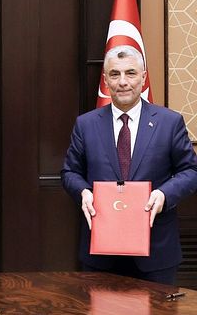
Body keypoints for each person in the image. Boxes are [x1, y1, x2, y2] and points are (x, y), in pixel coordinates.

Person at [61, 45, 197, 285]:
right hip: (101, 252)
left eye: (130, 73)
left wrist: (164, 194)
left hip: (156, 252)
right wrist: (83, 191)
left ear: (143, 78)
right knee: (101, 310)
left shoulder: (169, 122)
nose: (123, 81)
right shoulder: (86, 124)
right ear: (106, 80)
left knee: (157, 312)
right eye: (115, 74)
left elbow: (190, 171)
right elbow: (70, 172)